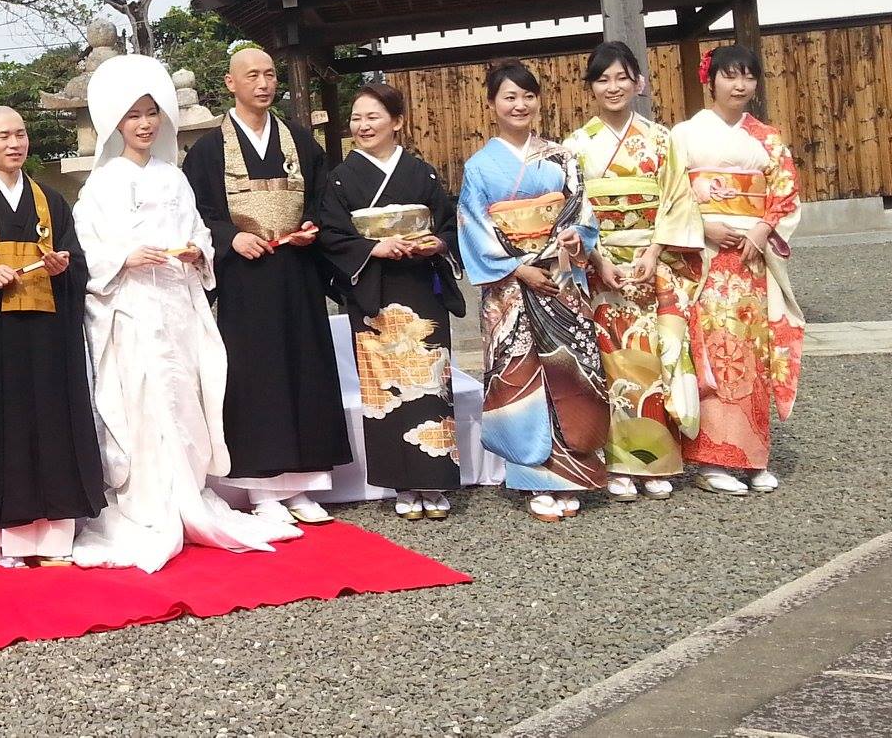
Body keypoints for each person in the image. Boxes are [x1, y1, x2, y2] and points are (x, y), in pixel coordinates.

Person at [70, 54, 298, 573]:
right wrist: (124, 258)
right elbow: (87, 250)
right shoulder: (100, 185)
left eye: (152, 113)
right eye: (133, 116)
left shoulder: (174, 178)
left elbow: (197, 229)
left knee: (185, 398)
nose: (145, 124)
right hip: (129, 308)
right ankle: (148, 502)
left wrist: (199, 251)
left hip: (175, 301)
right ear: (116, 124)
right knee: (140, 402)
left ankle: (189, 493)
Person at [181, 46, 351, 525]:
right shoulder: (210, 150)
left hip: (296, 272)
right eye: (251, 75)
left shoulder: (299, 139)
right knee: (255, 378)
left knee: (305, 371)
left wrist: (312, 226)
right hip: (244, 279)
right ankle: (263, 492)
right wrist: (232, 237)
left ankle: (303, 487)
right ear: (230, 84)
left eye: (270, 75)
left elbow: (323, 198)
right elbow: (196, 213)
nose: (263, 83)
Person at [0, 106, 105, 567]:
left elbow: (78, 262)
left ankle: (55, 540)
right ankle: (6, 538)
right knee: (1, 430)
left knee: (53, 426)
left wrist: (62, 268)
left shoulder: (51, 200)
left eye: (21, 135)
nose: (15, 144)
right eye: (4, 136)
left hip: (47, 339)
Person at [457, 62, 609, 524]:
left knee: (570, 370)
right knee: (519, 373)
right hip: (511, 285)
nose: (519, 105)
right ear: (491, 105)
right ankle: (531, 476)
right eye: (508, 97)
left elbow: (583, 214)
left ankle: (573, 471)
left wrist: (576, 239)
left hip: (562, 278)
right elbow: (473, 225)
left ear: (538, 100)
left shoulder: (562, 157)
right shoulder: (479, 166)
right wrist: (519, 268)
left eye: (527, 96)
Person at [563, 42, 704, 503]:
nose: (613, 87)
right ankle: (619, 463)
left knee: (656, 360)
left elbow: (677, 200)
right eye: (602, 79)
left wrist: (655, 251)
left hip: (651, 263)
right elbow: (574, 210)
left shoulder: (661, 140)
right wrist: (597, 258)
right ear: (591, 88)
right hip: (601, 269)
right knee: (611, 365)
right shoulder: (577, 145)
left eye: (622, 77)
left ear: (638, 83)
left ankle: (657, 461)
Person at [316, 83, 466, 522]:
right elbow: (331, 235)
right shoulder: (341, 179)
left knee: (432, 383)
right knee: (385, 390)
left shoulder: (423, 174)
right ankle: (401, 482)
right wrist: (373, 249)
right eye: (357, 118)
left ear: (397, 122)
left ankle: (436, 480)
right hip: (375, 295)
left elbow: (452, 224)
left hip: (421, 289)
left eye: (373, 117)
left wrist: (436, 243)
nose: (363, 126)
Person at [671, 45, 805, 496]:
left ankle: (754, 457)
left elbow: (784, 193)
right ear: (710, 81)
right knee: (713, 354)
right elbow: (670, 194)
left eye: (748, 76)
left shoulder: (767, 137)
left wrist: (764, 229)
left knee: (754, 354)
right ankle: (712, 460)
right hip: (706, 261)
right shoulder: (685, 134)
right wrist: (703, 224)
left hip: (752, 262)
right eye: (730, 76)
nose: (740, 85)